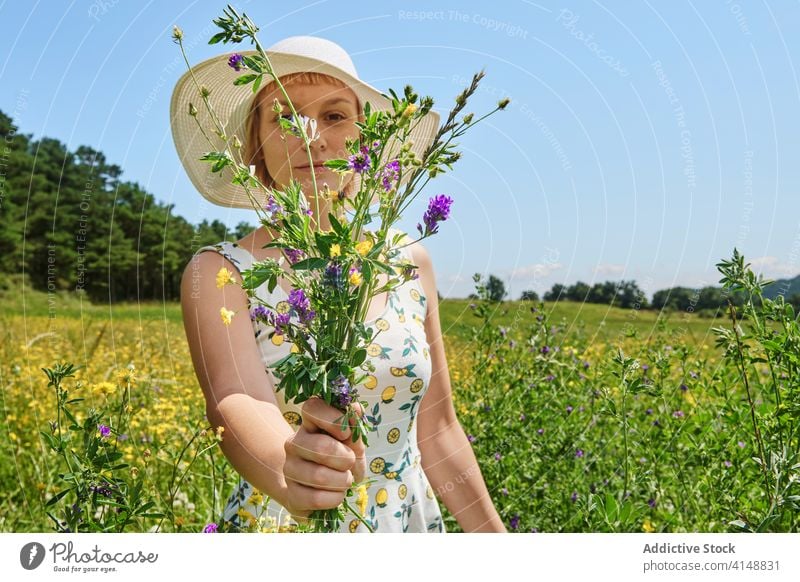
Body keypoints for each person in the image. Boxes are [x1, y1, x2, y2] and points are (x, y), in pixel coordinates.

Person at [171, 35, 506, 533]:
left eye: (333, 116)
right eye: (285, 118)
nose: (312, 137)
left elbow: (438, 429)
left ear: (365, 141)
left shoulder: (411, 261)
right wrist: (292, 477)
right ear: (254, 148)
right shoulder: (220, 272)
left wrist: (498, 546)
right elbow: (234, 398)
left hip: (404, 521)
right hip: (283, 523)